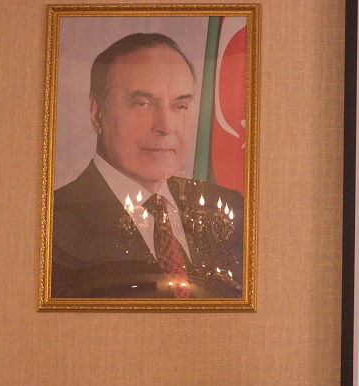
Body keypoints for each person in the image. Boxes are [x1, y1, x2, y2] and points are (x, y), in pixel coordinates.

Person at [51, 33, 244, 299]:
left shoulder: (231, 208)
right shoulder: (53, 224)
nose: (166, 126)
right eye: (142, 103)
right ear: (97, 113)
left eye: (180, 105)